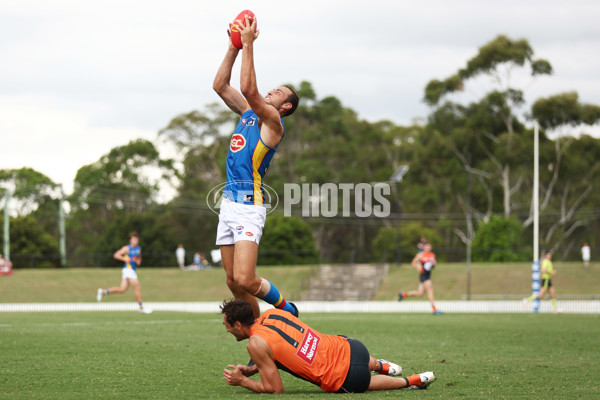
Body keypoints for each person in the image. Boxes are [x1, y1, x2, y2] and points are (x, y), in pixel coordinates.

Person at [212, 15, 299, 318]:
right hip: (228, 203)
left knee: (247, 279)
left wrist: (249, 44)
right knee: (233, 281)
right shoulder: (249, 112)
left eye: (279, 93)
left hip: (250, 205)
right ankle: (258, 334)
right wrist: (234, 46)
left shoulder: (272, 122)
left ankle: (287, 309)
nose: (272, 91)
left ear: (285, 107)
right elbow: (220, 85)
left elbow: (249, 88)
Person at [220, 299, 436, 394]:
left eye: (228, 326)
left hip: (346, 377)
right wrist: (250, 368)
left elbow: (275, 389)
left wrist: (243, 380)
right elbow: (277, 348)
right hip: (352, 346)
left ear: (238, 325)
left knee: (367, 383)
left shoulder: (255, 344)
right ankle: (381, 365)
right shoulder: (271, 313)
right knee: (350, 356)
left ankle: (411, 381)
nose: (227, 330)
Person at [96, 232, 152, 314]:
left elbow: (139, 259)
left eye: (136, 239)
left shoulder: (138, 249)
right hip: (128, 269)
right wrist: (125, 259)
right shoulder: (127, 248)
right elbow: (116, 255)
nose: (135, 240)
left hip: (132, 270)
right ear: (130, 240)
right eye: (133, 239)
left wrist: (138, 261)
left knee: (122, 289)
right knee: (137, 287)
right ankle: (141, 307)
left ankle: (103, 292)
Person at [398, 242, 442, 315]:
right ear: (424, 247)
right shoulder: (420, 255)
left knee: (420, 293)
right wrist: (418, 267)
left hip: (428, 275)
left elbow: (434, 265)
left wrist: (433, 264)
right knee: (430, 290)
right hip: (423, 275)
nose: (428, 248)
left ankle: (404, 295)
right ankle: (434, 309)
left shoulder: (432, 255)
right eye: (427, 247)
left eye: (429, 247)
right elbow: (413, 262)